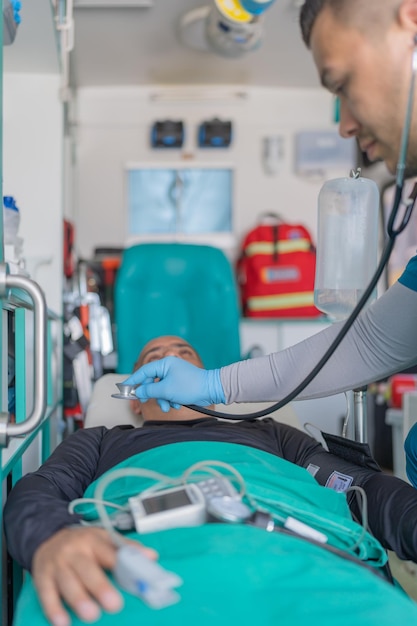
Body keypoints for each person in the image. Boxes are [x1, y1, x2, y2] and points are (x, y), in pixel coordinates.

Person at [125, 0, 417, 468]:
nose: (343, 126)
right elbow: (370, 344)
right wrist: (213, 384)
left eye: (342, 84)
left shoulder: (272, 438)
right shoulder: (101, 443)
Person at [5, 335, 417, 626]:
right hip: (140, 555)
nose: (171, 358)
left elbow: (359, 487)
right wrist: (51, 537)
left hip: (290, 543)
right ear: (132, 394)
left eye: (184, 355)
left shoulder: (271, 432)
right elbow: (41, 490)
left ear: (211, 384)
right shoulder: (100, 441)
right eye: (155, 357)